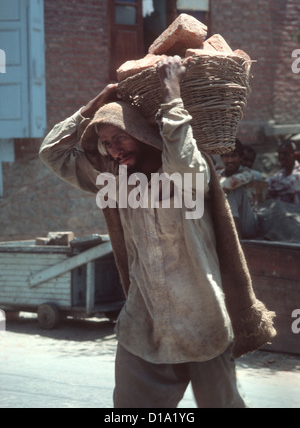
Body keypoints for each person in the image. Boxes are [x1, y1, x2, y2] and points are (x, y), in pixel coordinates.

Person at [39, 56, 275, 408]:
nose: (114, 149)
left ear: (142, 133)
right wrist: (92, 108)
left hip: (202, 322)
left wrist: (171, 93)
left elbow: (182, 154)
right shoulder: (113, 181)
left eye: (121, 137)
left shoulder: (189, 175)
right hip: (145, 326)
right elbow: (52, 152)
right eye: (106, 143)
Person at [219, 140, 259, 239]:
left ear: (240, 157)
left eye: (234, 156)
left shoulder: (247, 174)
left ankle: (236, 239)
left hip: (248, 224)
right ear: (222, 158)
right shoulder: (219, 174)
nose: (230, 160)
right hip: (224, 221)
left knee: (234, 190)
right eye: (226, 156)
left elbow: (227, 184)